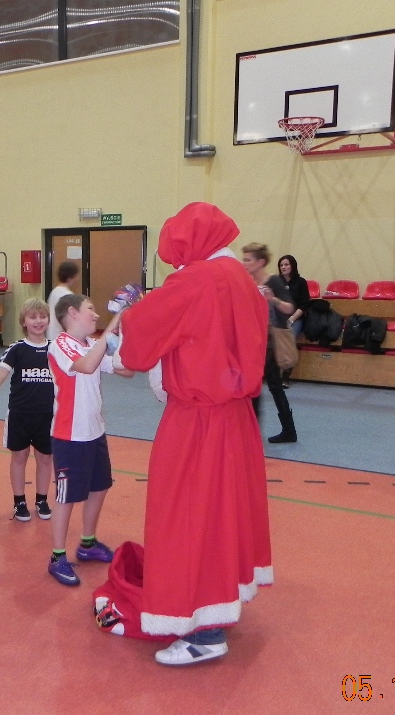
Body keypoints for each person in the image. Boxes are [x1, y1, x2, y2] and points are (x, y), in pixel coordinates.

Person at [116, 201, 272, 666]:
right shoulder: (242, 279)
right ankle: (222, 603)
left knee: (187, 516)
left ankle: (204, 631)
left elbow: (139, 342)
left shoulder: (196, 280)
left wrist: (126, 317)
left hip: (197, 420)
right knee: (224, 515)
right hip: (236, 418)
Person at [46, 293, 132, 586]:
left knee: (100, 486)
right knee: (67, 497)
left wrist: (125, 333)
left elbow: (126, 371)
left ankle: (87, 542)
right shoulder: (60, 344)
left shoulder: (91, 345)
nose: (96, 315)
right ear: (72, 313)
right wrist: (115, 322)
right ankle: (57, 556)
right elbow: (85, 366)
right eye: (90, 309)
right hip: (70, 435)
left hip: (95, 431)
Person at [0, 298, 54, 522]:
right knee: (19, 457)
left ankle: (42, 499)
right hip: (20, 414)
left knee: (45, 458)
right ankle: (19, 501)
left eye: (42, 316)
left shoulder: (54, 349)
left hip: (47, 415)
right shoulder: (17, 349)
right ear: (24, 321)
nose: (38, 321)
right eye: (33, 317)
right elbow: (2, 371)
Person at [242, 243, 298, 443]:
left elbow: (290, 308)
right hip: (255, 342)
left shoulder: (273, 281)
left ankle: (253, 433)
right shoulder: (247, 283)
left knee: (259, 385)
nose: (244, 263)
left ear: (260, 262)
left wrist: (272, 299)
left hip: (271, 343)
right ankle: (286, 430)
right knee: (269, 386)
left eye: (248, 259)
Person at [276, 254, 311, 388]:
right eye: (281, 265)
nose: (283, 267)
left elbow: (304, 304)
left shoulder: (300, 282)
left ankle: (285, 375)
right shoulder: (276, 282)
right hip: (279, 318)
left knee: (288, 338)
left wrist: (291, 319)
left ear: (293, 266)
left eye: (286, 264)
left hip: (295, 318)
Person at [47, 261, 80, 340]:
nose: (78, 278)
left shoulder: (54, 291)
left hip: (51, 333)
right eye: (76, 275)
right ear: (70, 276)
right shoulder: (67, 295)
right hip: (60, 335)